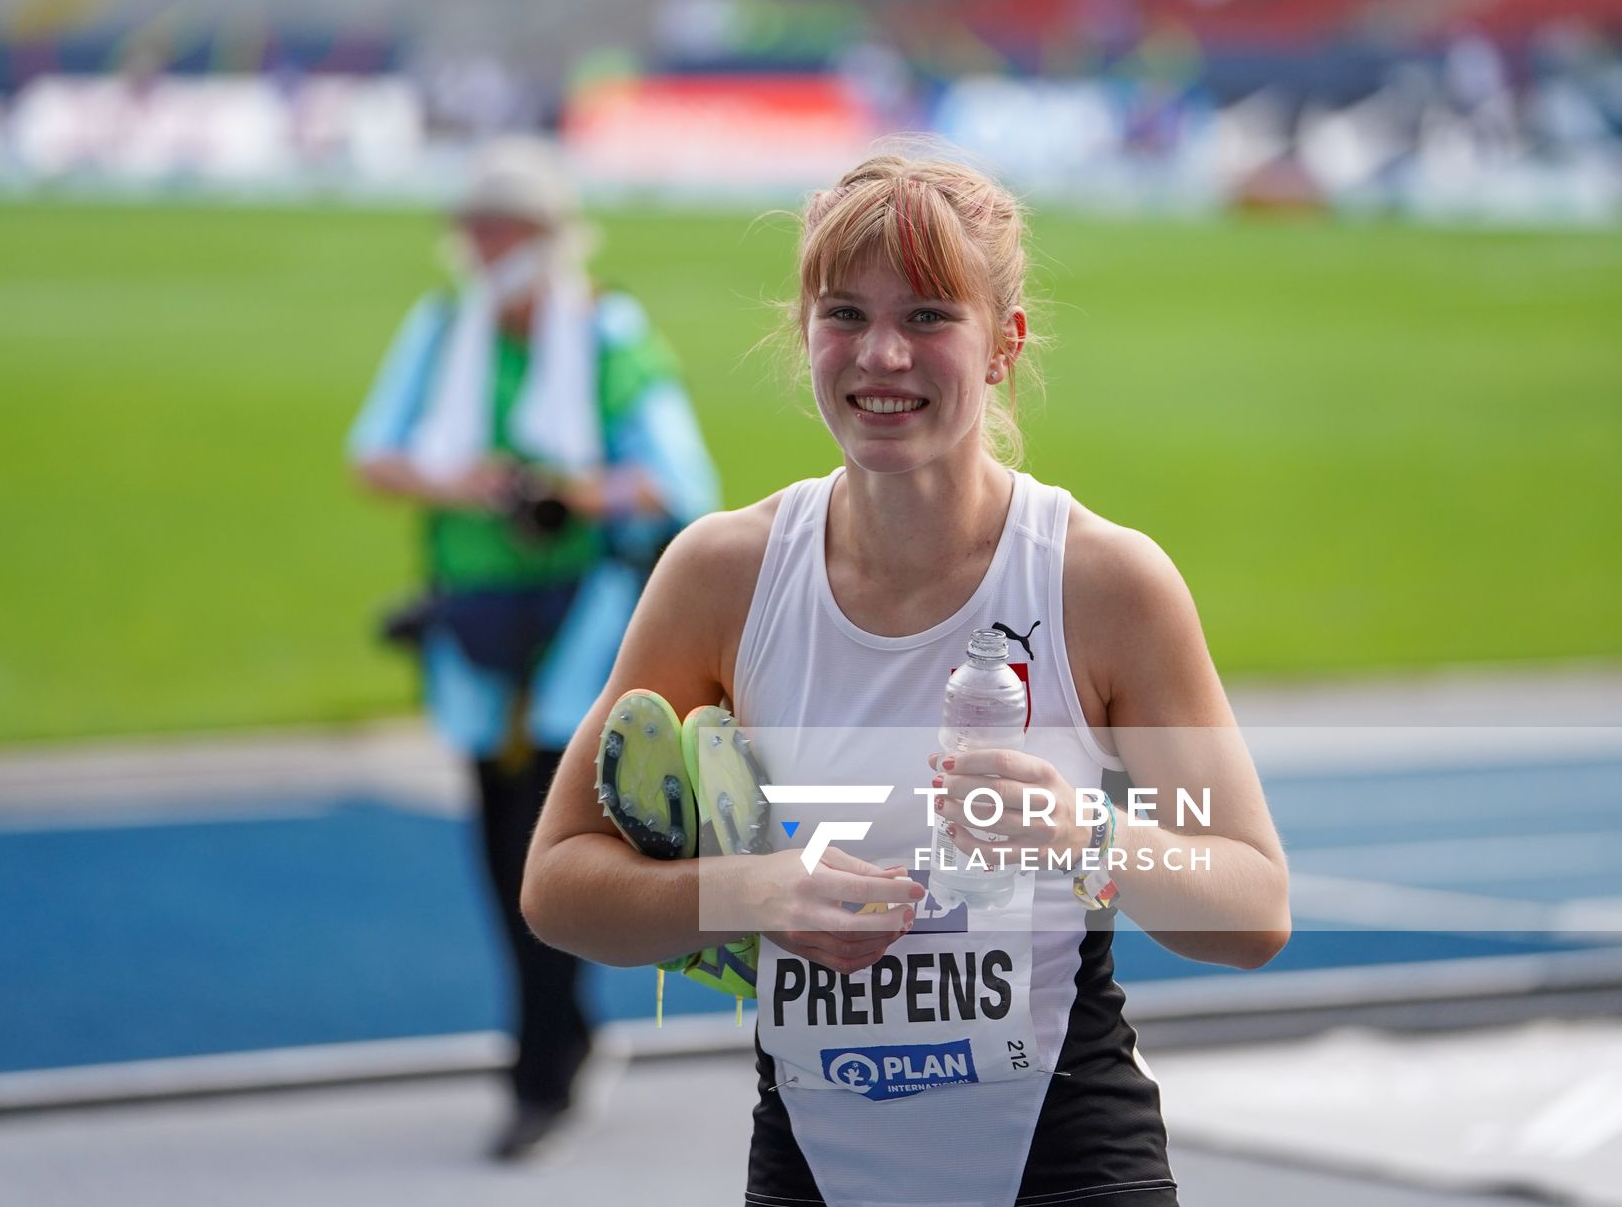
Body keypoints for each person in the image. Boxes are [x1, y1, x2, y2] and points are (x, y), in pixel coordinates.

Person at [521, 152, 1291, 1206]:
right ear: (805, 333)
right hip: (815, 1172)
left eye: (929, 315)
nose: (882, 354)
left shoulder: (1103, 582)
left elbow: (1253, 904)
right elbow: (559, 883)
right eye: (845, 312)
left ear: (1004, 344)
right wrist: (749, 895)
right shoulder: (722, 574)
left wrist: (1084, 838)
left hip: (1065, 1167)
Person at [346, 138, 721, 1161]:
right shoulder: (441, 329)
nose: (483, 245)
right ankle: (563, 1036)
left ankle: (541, 1065)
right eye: (475, 227)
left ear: (549, 238)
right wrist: (472, 483)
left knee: (539, 852)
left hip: (580, 628)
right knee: (495, 849)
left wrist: (568, 494)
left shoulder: (609, 334)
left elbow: (680, 482)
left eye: (502, 228)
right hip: (474, 624)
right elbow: (375, 456)